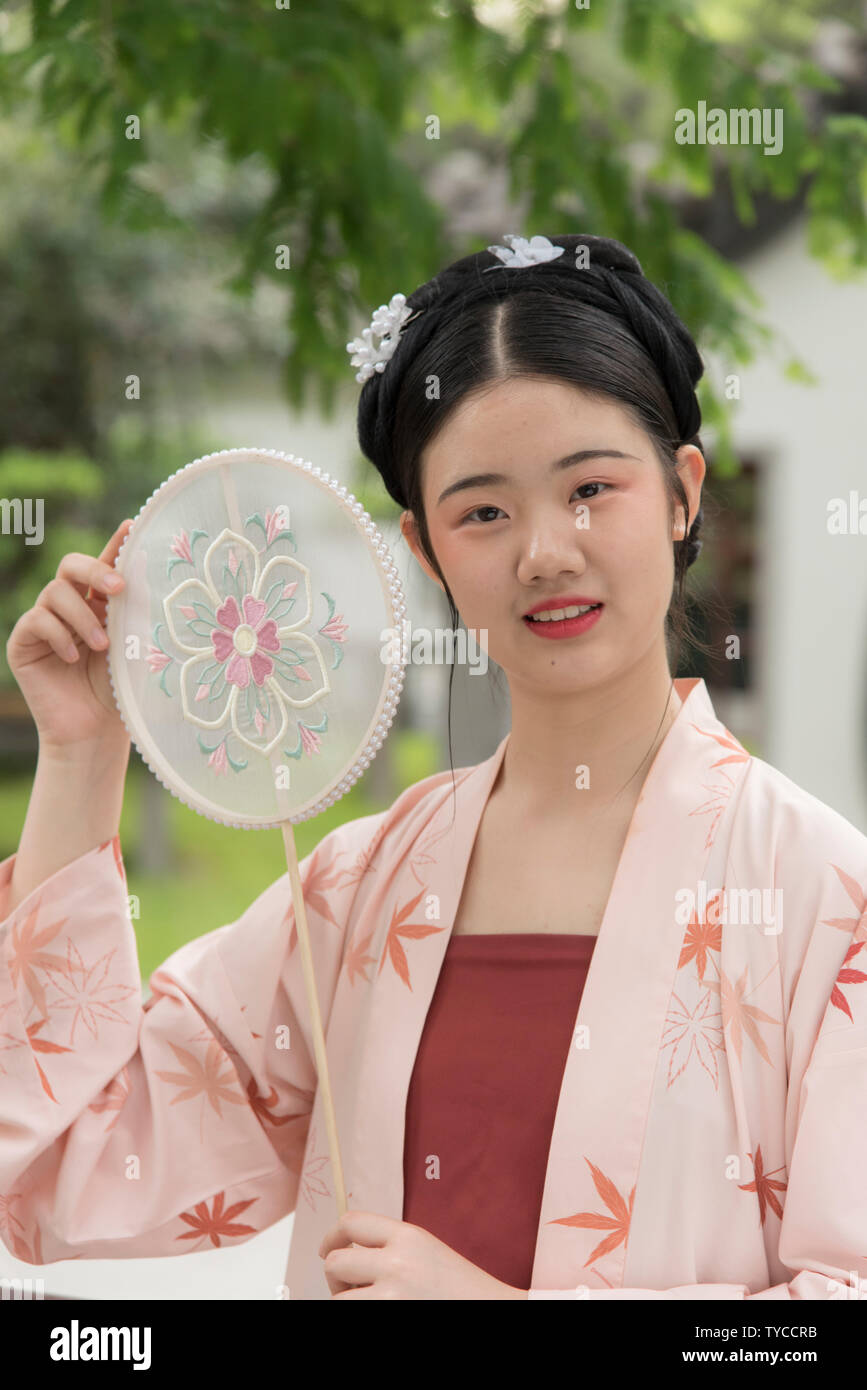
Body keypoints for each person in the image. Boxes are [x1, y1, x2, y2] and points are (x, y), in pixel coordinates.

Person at [1, 232, 865, 1301]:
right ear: (425, 552)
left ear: (683, 491)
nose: (546, 550)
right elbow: (58, 1174)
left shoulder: (823, 900)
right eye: (485, 511)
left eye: (591, 486)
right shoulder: (357, 894)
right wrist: (83, 753)